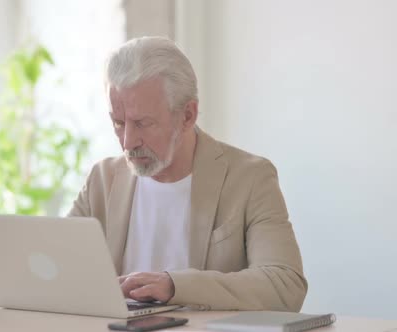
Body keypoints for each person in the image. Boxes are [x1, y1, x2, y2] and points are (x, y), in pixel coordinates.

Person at [68, 36, 307, 312]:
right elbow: (59, 269)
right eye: (118, 123)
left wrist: (175, 286)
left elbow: (285, 286)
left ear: (187, 115)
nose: (127, 142)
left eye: (143, 123)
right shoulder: (102, 179)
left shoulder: (251, 178)